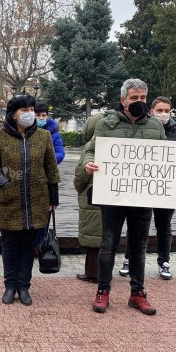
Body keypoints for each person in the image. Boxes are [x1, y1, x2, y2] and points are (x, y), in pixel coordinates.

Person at [82, 79, 176, 316]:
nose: (139, 102)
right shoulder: (106, 124)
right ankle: (103, 290)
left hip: (142, 197)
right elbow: (90, 149)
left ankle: (137, 293)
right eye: (134, 98)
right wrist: (87, 163)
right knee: (108, 243)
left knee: (139, 245)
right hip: (112, 194)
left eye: (143, 98)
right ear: (123, 100)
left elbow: (166, 156)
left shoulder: (155, 125)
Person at [0, 94, 60, 305]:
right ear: (13, 114)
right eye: (24, 109)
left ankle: (24, 287)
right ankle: (10, 286)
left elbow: (51, 169)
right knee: (9, 246)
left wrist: (53, 198)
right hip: (7, 202)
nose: (30, 113)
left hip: (37, 202)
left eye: (31, 109)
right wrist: (3, 181)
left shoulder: (43, 136)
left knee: (28, 247)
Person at [118, 97, 176, 281]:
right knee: (135, 226)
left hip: (167, 190)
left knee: (164, 226)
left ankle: (164, 262)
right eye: (159, 110)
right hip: (142, 188)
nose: (164, 114)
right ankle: (130, 259)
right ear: (151, 111)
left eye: (167, 110)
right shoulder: (143, 130)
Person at [74, 112, 105, 283]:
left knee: (93, 238)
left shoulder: (90, 147)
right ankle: (104, 272)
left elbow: (80, 178)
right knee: (104, 236)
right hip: (109, 199)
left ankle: (92, 273)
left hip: (91, 199)